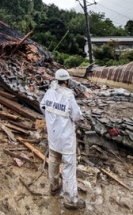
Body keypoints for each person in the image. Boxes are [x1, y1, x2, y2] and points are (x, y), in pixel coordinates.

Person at [39, 69, 86, 210]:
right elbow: (77, 116)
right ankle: (70, 200)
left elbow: (42, 107)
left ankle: (54, 187)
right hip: (66, 140)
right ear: (67, 80)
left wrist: (52, 119)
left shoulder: (49, 92)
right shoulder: (69, 96)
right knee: (69, 169)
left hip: (53, 137)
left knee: (53, 162)